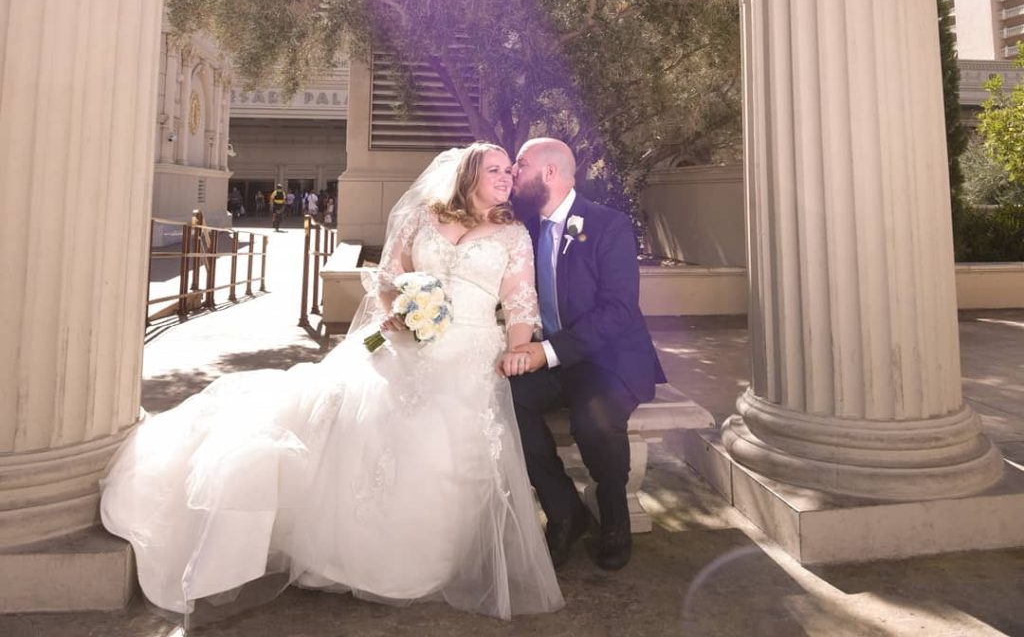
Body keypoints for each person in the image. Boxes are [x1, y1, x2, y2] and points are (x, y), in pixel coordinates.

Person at [100, 144, 564, 624]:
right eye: (495, 169)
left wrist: (516, 350)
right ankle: (343, 550)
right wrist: (398, 313)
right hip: (399, 343)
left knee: (440, 445)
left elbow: (521, 301)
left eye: (509, 170)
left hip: (471, 354)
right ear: (467, 174)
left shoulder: (512, 234)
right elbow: (388, 278)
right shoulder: (423, 217)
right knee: (348, 410)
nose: (507, 176)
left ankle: (424, 560)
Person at [508, 138, 666, 571]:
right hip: (559, 359)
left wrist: (547, 351)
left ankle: (614, 518)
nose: (513, 173)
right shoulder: (528, 227)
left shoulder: (606, 225)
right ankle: (565, 511)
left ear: (551, 174)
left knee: (593, 417)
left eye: (520, 165)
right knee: (507, 400)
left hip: (609, 360)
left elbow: (618, 311)